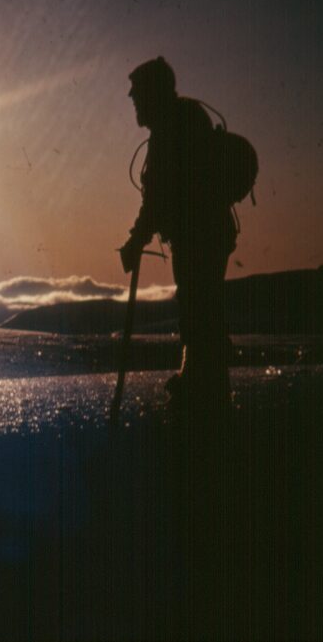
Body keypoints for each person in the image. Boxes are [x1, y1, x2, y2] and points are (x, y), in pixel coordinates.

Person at [118, 56, 235, 412]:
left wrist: (136, 240)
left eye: (138, 94)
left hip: (200, 235)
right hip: (208, 233)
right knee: (201, 307)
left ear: (152, 93)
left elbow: (158, 196)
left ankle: (204, 391)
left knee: (199, 309)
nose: (134, 101)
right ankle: (202, 381)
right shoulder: (185, 119)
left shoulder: (172, 128)